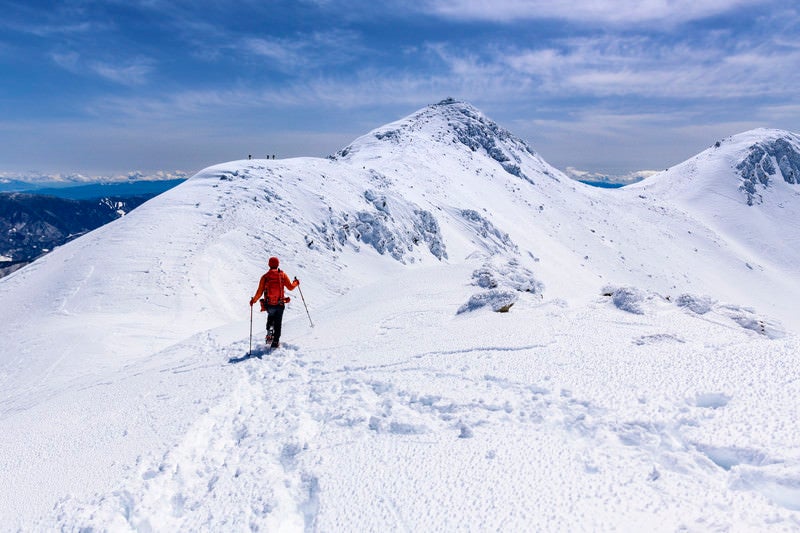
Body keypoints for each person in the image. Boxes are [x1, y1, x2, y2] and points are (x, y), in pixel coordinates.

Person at [249, 256, 299, 349]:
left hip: (269, 305)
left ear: (269, 264)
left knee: (271, 316)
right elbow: (291, 287)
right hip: (280, 304)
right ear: (278, 264)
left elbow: (259, 292)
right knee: (278, 322)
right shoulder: (282, 275)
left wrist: (253, 300)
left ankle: (269, 330)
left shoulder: (265, 277)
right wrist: (296, 282)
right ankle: (275, 341)